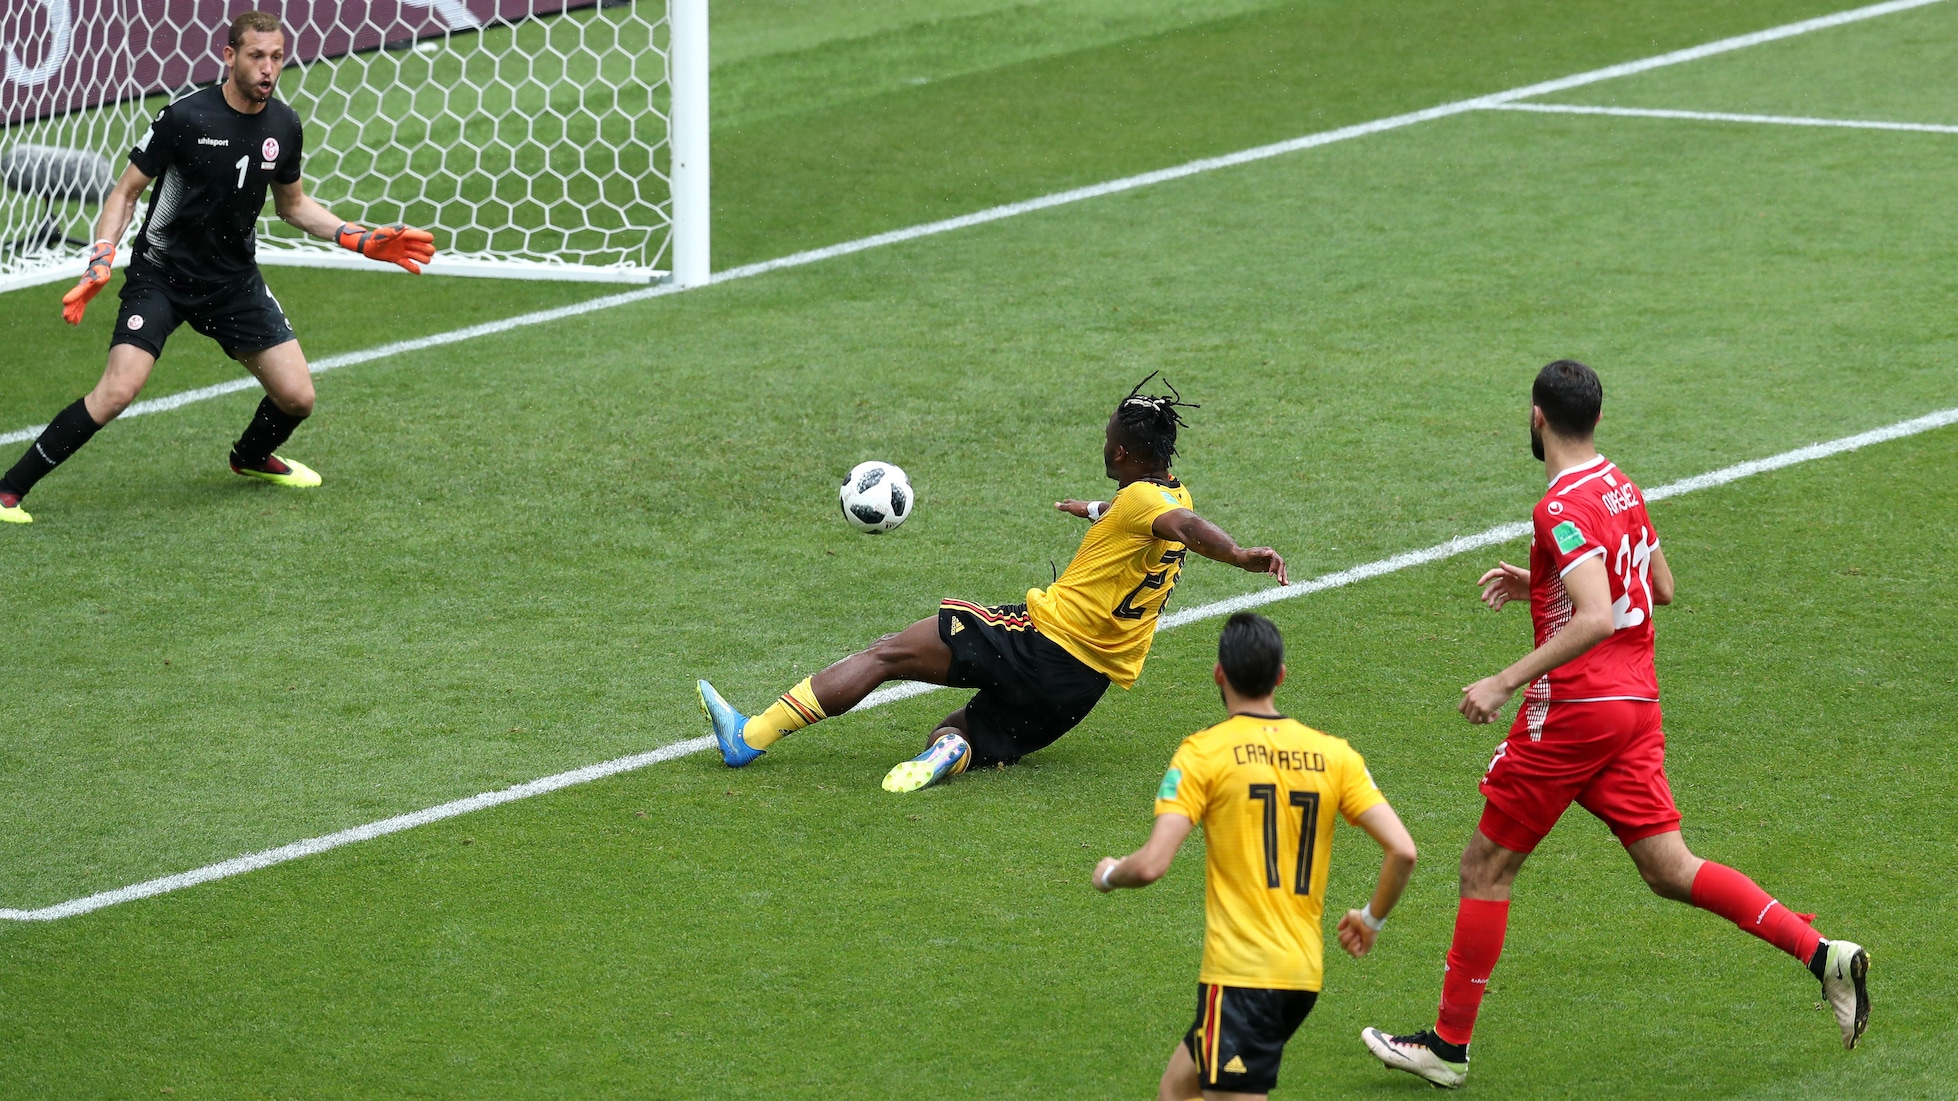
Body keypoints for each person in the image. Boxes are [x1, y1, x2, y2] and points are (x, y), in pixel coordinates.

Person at [1360, 360, 1868, 1089]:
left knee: (1485, 866)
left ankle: (1447, 1045)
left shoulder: (1559, 504)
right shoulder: (1622, 484)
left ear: (1538, 417)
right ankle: (1824, 954)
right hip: (1635, 705)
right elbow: (1659, 585)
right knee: (1670, 868)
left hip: (1575, 709)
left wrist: (1507, 678)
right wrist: (1540, 577)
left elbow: (1597, 613)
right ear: (1593, 418)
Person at [697, 375, 1288, 792]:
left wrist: (1238, 554)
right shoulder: (1164, 493)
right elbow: (1161, 520)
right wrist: (1090, 510)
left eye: (1109, 437)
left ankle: (749, 736)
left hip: (1039, 640)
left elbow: (1182, 526)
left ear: (1126, 451)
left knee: (887, 655)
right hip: (1082, 686)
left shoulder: (1152, 505)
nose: (1103, 442)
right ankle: (949, 753)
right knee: (956, 729)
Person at [0, 11, 435, 525]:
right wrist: (101, 256)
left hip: (231, 282)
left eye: (276, 57)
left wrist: (355, 236)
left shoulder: (284, 124)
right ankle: (9, 489)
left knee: (298, 397)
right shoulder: (184, 118)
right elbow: (124, 192)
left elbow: (293, 205)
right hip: (161, 276)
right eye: (256, 56)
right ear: (229, 57)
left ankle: (249, 458)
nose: (268, 69)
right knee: (118, 390)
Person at [1094, 612, 1417, 1101]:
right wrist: (1371, 919)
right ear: (1281, 676)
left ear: (1219, 673)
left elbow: (1153, 863)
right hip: (1300, 975)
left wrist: (1110, 874)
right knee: (1177, 1089)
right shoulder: (1334, 755)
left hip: (1243, 977)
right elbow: (1404, 851)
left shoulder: (1203, 753)